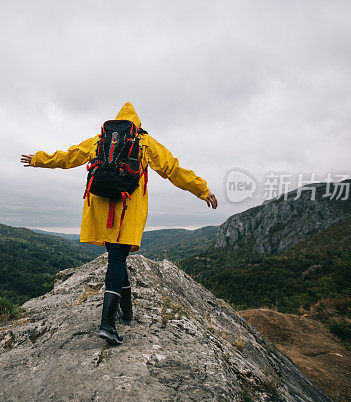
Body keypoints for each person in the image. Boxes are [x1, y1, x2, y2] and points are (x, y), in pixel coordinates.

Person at [21, 102, 217, 344]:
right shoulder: (144, 142)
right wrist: (202, 190)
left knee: (116, 257)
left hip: (100, 207)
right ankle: (107, 324)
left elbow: (69, 157)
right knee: (117, 259)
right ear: (136, 124)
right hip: (126, 209)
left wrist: (39, 159)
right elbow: (173, 169)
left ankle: (127, 309)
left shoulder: (99, 140)